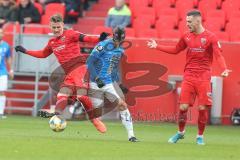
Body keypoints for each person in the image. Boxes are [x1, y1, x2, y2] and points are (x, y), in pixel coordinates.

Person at [147, 10, 231, 145]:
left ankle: (200, 136)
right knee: (183, 107)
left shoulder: (211, 37)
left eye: (189, 22)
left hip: (204, 77)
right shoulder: (186, 36)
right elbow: (175, 50)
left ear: (198, 21)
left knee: (202, 108)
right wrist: (157, 46)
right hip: (189, 76)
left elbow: (218, 55)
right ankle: (180, 133)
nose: (187, 24)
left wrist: (224, 68)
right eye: (186, 21)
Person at [15, 14, 109, 133]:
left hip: (79, 68)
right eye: (54, 27)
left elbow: (85, 37)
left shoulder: (70, 34)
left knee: (82, 96)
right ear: (50, 26)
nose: (56, 30)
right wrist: (25, 51)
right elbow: (43, 54)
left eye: (58, 27)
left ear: (62, 25)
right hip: (69, 73)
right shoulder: (52, 42)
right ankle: (57, 115)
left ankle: (94, 120)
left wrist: (99, 38)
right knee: (62, 96)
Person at [87, 27, 139, 142]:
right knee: (96, 115)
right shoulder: (103, 45)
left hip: (108, 83)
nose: (117, 42)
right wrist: (96, 77)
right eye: (116, 39)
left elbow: (114, 68)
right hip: (95, 83)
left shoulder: (120, 50)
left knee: (122, 105)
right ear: (113, 37)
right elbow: (89, 62)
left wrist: (119, 84)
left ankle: (131, 135)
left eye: (120, 40)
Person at [0, 28, 13, 118]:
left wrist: (11, 70)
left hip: (2, 72)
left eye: (1, 33)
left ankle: (1, 112)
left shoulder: (6, 46)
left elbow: (8, 58)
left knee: (2, 92)